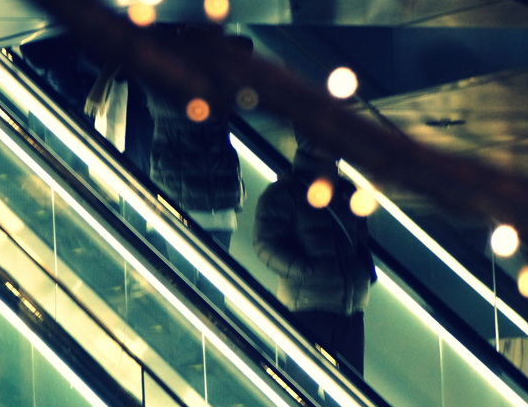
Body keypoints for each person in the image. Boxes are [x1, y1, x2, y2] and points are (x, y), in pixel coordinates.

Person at [252, 131, 374, 375]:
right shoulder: (285, 193)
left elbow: (360, 241)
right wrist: (306, 271)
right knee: (304, 386)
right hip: (306, 306)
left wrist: (364, 272)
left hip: (350, 308)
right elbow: (265, 243)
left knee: (350, 394)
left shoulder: (346, 192)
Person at [140, 24, 249, 251]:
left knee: (188, 281)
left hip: (186, 204)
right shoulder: (214, 89)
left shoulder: (166, 91)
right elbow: (244, 45)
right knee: (214, 281)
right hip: (212, 206)